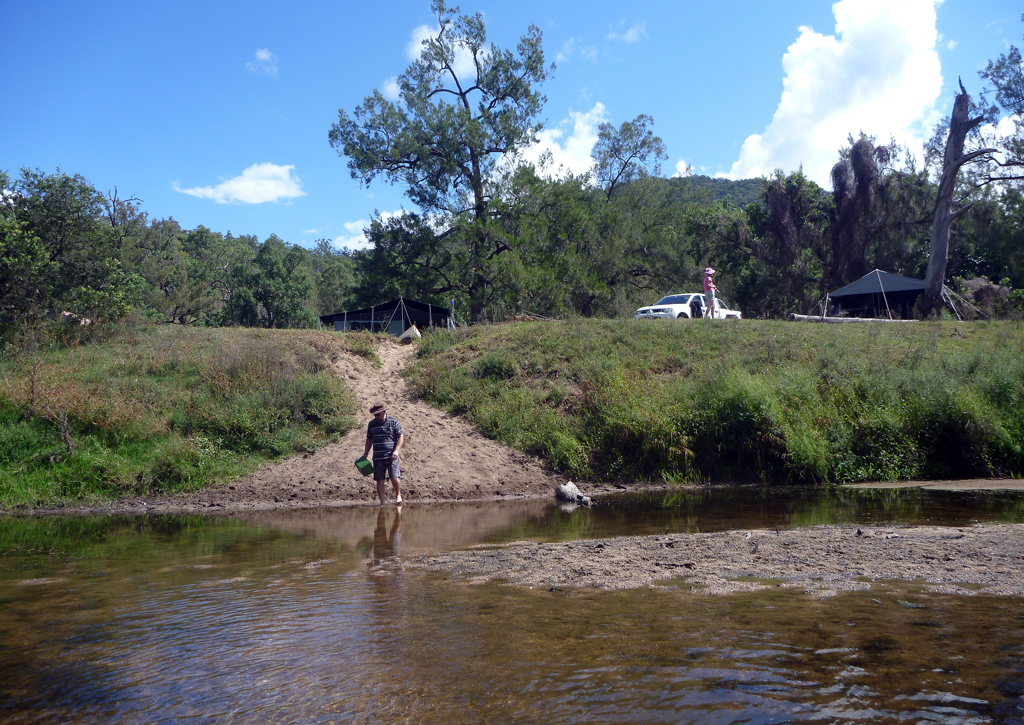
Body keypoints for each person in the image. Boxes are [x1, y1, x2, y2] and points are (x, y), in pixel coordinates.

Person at [363, 402, 404, 505]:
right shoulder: (371, 424)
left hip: (392, 456)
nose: (376, 416)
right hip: (377, 457)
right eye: (375, 415)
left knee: (394, 476)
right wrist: (366, 453)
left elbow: (400, 436)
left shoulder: (393, 421)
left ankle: (398, 495)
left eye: (378, 414)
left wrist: (396, 451)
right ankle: (382, 502)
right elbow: (369, 439)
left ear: (384, 412)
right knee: (379, 479)